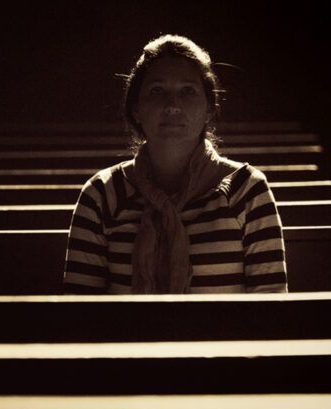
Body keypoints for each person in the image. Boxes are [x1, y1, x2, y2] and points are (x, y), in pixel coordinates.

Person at [63, 34, 288, 294]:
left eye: (187, 91)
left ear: (209, 109)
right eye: (157, 91)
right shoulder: (102, 195)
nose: (172, 106)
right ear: (136, 108)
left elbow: (271, 315)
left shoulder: (246, 191)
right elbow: (82, 317)